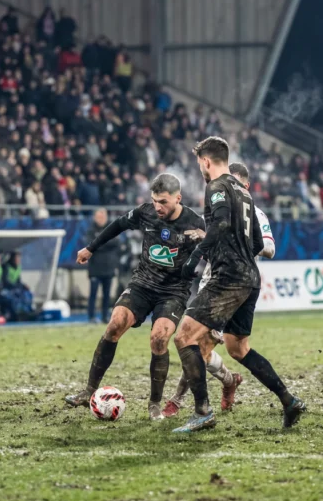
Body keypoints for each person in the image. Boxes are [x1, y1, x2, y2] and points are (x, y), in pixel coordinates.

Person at [173, 137, 305, 432]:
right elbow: (258, 241)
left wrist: (195, 258)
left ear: (206, 161)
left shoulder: (216, 187)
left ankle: (202, 412)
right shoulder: (245, 193)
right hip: (250, 277)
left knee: (185, 337)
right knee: (238, 348)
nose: (200, 170)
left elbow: (218, 225)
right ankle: (289, 400)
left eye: (199, 164)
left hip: (228, 278)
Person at [65, 173, 205, 420]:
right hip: (143, 283)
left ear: (178, 198)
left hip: (173, 291)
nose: (157, 207)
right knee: (114, 325)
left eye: (163, 201)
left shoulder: (195, 224)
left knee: (159, 338)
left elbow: (214, 252)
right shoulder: (145, 212)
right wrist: (90, 248)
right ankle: (89, 390)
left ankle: (154, 403)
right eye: (154, 201)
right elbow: (118, 225)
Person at [162, 161, 272, 418]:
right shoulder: (218, 207)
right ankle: (229, 380)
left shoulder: (255, 213)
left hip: (232, 284)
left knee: (195, 342)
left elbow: (268, 247)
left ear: (244, 186)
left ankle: (179, 400)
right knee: (200, 346)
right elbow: (213, 235)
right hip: (211, 280)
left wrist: (237, 245)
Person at [84, 208, 120, 324]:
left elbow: (116, 243)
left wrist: (98, 244)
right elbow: (90, 246)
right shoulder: (90, 231)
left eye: (103, 216)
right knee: (93, 294)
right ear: (95, 217)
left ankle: (105, 316)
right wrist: (101, 245)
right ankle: (91, 316)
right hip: (95, 268)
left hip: (109, 267)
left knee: (107, 295)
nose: (101, 218)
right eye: (99, 216)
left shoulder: (111, 229)